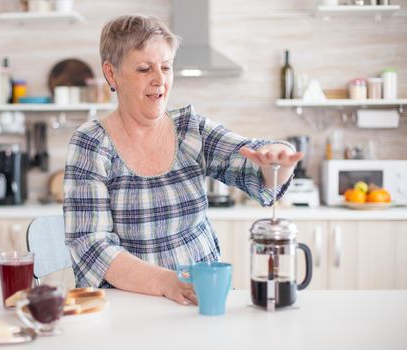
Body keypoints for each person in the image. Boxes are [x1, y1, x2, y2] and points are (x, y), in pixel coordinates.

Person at [64, 14, 303, 306]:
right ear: (112, 74)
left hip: (202, 297)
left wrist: (276, 157)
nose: (160, 79)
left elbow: (249, 155)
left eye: (166, 67)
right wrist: (166, 282)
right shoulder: (91, 143)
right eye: (144, 68)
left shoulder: (191, 129)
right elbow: (92, 246)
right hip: (128, 307)